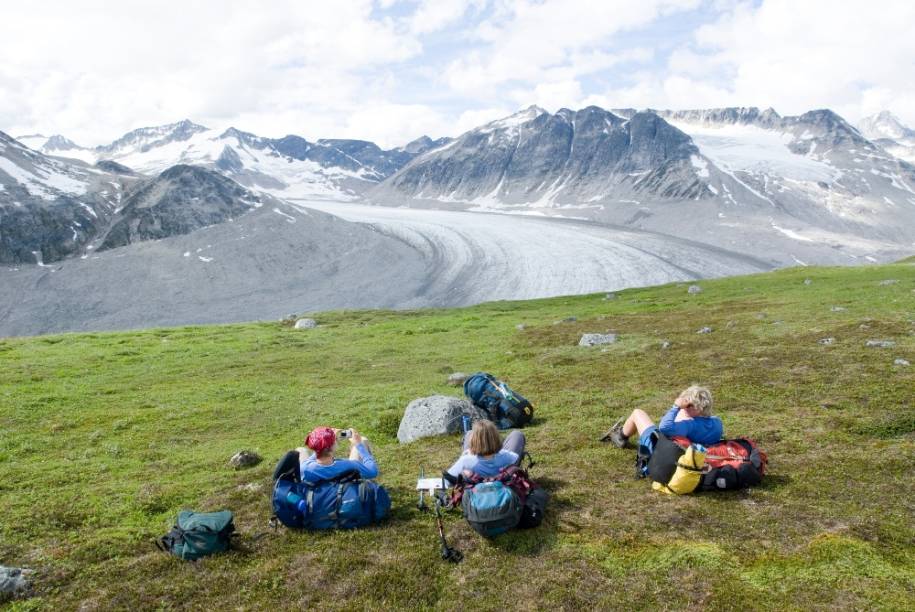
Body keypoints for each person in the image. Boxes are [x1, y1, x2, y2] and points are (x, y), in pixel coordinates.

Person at [604, 385, 723, 450]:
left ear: (697, 408)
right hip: (691, 450)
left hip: (661, 449)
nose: (685, 407)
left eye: (688, 405)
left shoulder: (689, 425)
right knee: (680, 416)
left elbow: (664, 427)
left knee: (637, 413)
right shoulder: (717, 423)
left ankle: (621, 436)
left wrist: (676, 407)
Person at [447, 420, 525, 480]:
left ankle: (478, 440)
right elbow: (515, 457)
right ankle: (490, 440)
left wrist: (466, 454)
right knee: (517, 434)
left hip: (476, 484)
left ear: (473, 441)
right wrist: (500, 451)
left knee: (469, 433)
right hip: (502, 479)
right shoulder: (507, 456)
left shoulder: (466, 460)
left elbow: (446, 481)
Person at [296, 426, 378, 483]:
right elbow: (373, 472)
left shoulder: (305, 468)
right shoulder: (349, 466)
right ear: (333, 446)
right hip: (343, 492)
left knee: (300, 450)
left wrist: (324, 444)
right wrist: (359, 445)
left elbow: (319, 453)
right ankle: (367, 482)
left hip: (320, 498)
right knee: (363, 440)